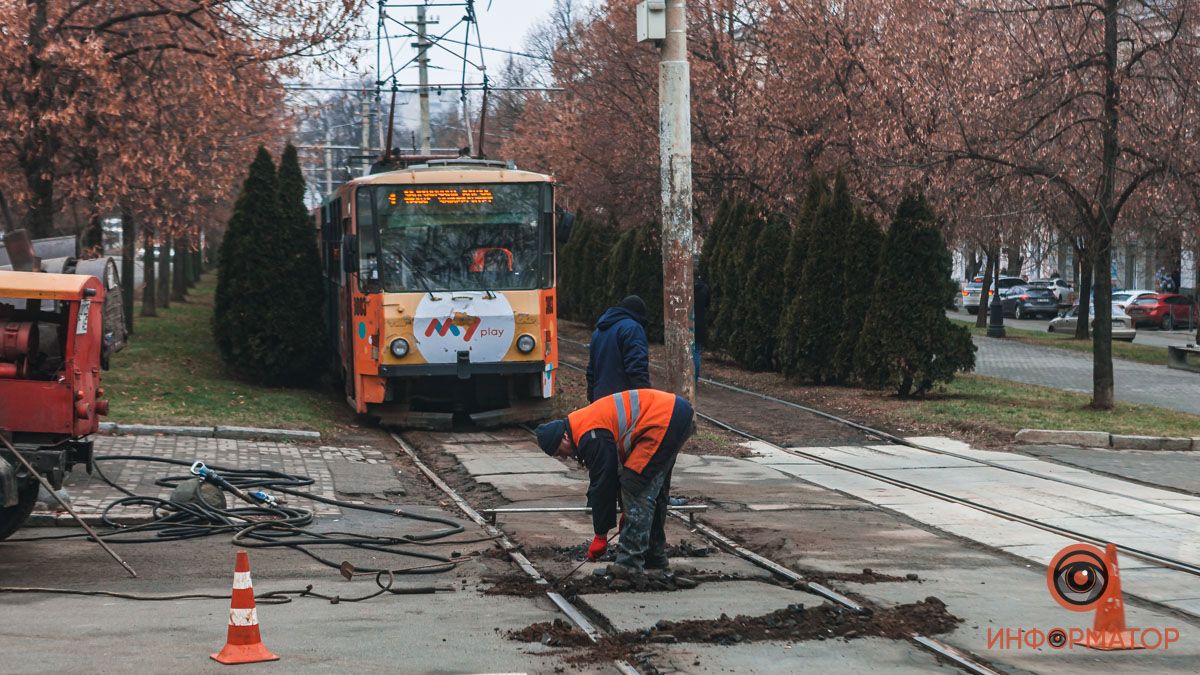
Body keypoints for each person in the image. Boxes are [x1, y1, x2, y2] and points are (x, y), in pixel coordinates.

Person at [535, 388, 695, 575]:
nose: (564, 457)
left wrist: (601, 536)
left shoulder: (590, 435)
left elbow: (604, 482)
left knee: (635, 488)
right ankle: (654, 557)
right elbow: (613, 471)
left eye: (560, 452)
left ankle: (629, 565)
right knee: (652, 492)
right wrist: (628, 513)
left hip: (663, 422)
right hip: (673, 416)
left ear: (564, 437)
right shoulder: (583, 425)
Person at [586, 295, 651, 402]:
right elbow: (637, 368)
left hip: (600, 401)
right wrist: (645, 399)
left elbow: (591, 371)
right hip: (623, 402)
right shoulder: (633, 328)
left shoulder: (598, 331)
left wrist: (592, 398)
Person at [693, 275, 710, 381]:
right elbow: (707, 304)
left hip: (686, 321)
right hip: (700, 323)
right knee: (697, 351)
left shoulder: (685, 287)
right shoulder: (704, 288)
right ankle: (695, 377)